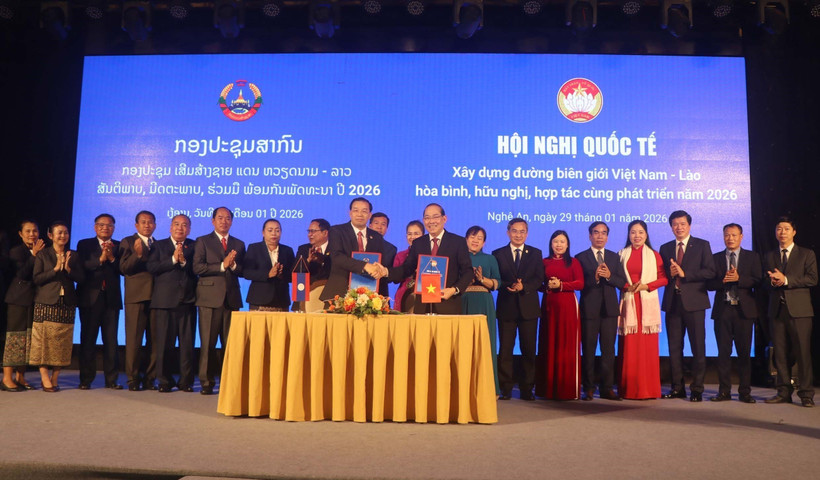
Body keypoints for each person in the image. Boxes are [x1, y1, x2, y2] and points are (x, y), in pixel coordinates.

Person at [659, 210, 715, 402]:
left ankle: (697, 388)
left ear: (689, 225)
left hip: (695, 303)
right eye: (675, 224)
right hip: (673, 302)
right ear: (671, 227)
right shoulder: (665, 248)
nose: (679, 227)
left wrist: (685, 274)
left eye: (682, 224)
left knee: (698, 347)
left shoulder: (702, 245)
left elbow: (710, 272)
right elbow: (663, 275)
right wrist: (671, 272)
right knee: (675, 348)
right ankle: (677, 388)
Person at [763, 216, 817, 407]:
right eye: (779, 229)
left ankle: (806, 393)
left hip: (800, 311)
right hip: (777, 311)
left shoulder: (806, 254)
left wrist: (786, 280)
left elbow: (812, 279)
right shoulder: (770, 255)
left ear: (794, 232)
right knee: (780, 353)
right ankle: (783, 391)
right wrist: (771, 281)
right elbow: (764, 282)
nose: (782, 232)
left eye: (786, 229)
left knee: (803, 353)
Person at [706, 223, 761, 403]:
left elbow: (758, 281)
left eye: (734, 235)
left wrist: (740, 279)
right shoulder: (715, 258)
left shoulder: (752, 257)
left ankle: (745, 392)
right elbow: (708, 284)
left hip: (744, 311)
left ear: (741, 236)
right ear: (723, 237)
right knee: (723, 353)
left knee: (744, 353)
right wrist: (722, 281)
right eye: (727, 235)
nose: (730, 238)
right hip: (723, 310)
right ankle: (724, 391)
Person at [193, 206, 246, 395]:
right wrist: (222, 266)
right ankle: (206, 383)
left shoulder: (238, 244)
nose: (224, 221)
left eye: (228, 218)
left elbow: (242, 271)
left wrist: (234, 265)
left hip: (231, 299)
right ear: (213, 220)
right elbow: (198, 268)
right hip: (209, 299)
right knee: (207, 344)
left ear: (232, 221)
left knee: (229, 344)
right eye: (220, 218)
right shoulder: (202, 241)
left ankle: (228, 381)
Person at [387, 203, 473, 315]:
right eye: (427, 218)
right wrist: (386, 272)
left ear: (444, 218)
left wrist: (454, 290)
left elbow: (468, 272)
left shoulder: (458, 242)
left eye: (435, 217)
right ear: (423, 220)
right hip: (422, 306)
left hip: (448, 305)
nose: (431, 221)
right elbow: (407, 268)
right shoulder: (418, 243)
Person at [492, 218, 544, 401]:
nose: (518, 234)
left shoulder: (536, 253)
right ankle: (505, 388)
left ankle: (527, 388)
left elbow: (539, 279)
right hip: (507, 308)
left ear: (527, 233)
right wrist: (511, 285)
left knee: (529, 350)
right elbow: (496, 279)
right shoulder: (497, 253)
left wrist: (525, 287)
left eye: (522, 231)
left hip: (529, 309)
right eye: (515, 231)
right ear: (508, 232)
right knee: (505, 350)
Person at [29, 221, 83, 392]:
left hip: (66, 304)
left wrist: (67, 269)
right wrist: (55, 269)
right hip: (46, 303)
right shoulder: (43, 255)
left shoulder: (73, 255)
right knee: (43, 342)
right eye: (59, 233)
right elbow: (37, 278)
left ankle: (55, 377)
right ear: (51, 235)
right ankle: (45, 377)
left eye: (65, 233)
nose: (63, 236)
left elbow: (81, 278)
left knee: (62, 344)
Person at [576, 221, 626, 401]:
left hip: (609, 311)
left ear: (607, 236)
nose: (599, 236)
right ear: (590, 235)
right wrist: (595, 278)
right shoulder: (580, 257)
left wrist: (609, 277)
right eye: (596, 233)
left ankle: (607, 388)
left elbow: (622, 282)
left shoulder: (614, 257)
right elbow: (579, 284)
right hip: (589, 310)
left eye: (603, 233)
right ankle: (588, 388)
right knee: (588, 350)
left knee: (608, 350)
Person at [147, 214, 197, 393]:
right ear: (170, 227)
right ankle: (164, 381)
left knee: (187, 345)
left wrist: (184, 262)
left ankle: (186, 381)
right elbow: (152, 268)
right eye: (176, 224)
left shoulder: (194, 245)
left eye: (184, 225)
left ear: (189, 229)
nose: (180, 228)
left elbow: (197, 269)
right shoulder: (158, 245)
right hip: (164, 302)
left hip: (188, 301)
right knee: (163, 345)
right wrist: (173, 260)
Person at [617, 220, 666, 400]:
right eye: (633, 232)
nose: (636, 236)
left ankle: (649, 389)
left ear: (646, 235)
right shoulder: (621, 254)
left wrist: (646, 286)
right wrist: (626, 286)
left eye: (640, 232)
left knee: (647, 349)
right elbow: (616, 278)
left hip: (647, 305)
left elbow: (664, 279)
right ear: (628, 235)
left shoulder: (654, 255)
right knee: (629, 348)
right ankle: (628, 389)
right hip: (629, 304)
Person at [76, 213, 123, 389]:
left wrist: (111, 258)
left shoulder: (119, 246)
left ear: (114, 228)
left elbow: (123, 269)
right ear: (95, 227)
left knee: (111, 342)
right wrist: (100, 260)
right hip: (90, 298)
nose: (106, 228)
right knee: (88, 340)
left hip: (111, 299)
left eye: (109, 225)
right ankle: (86, 380)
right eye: (102, 225)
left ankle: (112, 380)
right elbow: (82, 265)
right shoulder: (84, 244)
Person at [537, 230, 584, 400]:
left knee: (567, 344)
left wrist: (561, 285)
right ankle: (547, 388)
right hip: (549, 305)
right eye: (556, 241)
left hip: (568, 306)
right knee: (549, 343)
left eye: (562, 241)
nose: (559, 244)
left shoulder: (573, 262)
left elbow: (580, 283)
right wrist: (548, 286)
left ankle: (567, 389)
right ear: (551, 244)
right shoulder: (544, 262)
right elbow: (538, 284)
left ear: (568, 244)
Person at [2, 220, 44, 391]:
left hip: (34, 300)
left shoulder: (41, 251)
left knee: (28, 340)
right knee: (15, 339)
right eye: (28, 231)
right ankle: (6, 378)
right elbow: (22, 274)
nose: (32, 234)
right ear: (20, 234)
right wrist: (34, 255)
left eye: (35, 230)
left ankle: (20, 377)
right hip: (17, 299)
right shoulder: (16, 251)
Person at [321, 197, 389, 302]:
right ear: (350, 213)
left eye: (364, 211)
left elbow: (379, 261)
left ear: (370, 215)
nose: (360, 214)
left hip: (368, 295)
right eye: (356, 210)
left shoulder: (376, 237)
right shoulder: (337, 231)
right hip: (339, 293)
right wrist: (365, 266)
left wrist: (377, 270)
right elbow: (337, 257)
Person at [119, 210, 158, 391]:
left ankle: (150, 378)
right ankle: (132, 378)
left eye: (150, 222)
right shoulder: (128, 241)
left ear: (155, 225)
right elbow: (124, 268)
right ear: (136, 225)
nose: (147, 225)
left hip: (156, 297)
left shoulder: (158, 244)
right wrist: (138, 255)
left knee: (154, 341)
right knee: (134, 340)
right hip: (135, 297)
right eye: (143, 222)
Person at [462, 225, 501, 394]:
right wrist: (466, 280)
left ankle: (488, 387)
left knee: (486, 343)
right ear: (466, 239)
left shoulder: (490, 259)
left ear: (484, 242)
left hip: (484, 302)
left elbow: (497, 283)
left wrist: (482, 279)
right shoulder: (460, 257)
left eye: (479, 238)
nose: (475, 240)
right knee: (463, 344)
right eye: (472, 236)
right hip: (463, 301)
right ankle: (464, 385)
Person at [244, 219, 295, 312]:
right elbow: (247, 273)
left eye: (277, 230)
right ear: (263, 232)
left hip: (281, 301)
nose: (274, 233)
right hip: (259, 300)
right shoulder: (254, 248)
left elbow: (293, 276)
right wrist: (268, 274)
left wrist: (281, 275)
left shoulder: (288, 250)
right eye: (270, 230)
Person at [294, 218, 331, 312]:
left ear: (325, 233)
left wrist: (322, 260)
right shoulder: (304, 249)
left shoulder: (335, 249)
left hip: (330, 298)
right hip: (306, 297)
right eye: (309, 231)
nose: (309, 234)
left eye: (313, 231)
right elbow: (295, 272)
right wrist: (308, 260)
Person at [393, 220, 425, 313]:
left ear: (423, 235)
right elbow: (395, 280)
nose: (412, 237)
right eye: (409, 234)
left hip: (425, 293)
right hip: (403, 294)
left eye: (416, 233)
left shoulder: (429, 255)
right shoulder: (400, 255)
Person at [370, 212, 397, 298]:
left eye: (383, 224)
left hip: (381, 292)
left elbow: (391, 274)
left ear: (387, 228)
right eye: (376, 223)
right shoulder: (360, 243)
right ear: (370, 225)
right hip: (358, 287)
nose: (379, 227)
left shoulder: (391, 249)